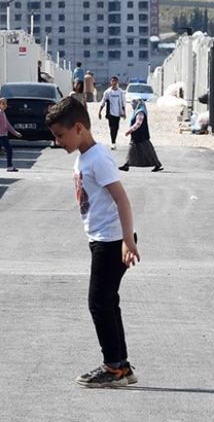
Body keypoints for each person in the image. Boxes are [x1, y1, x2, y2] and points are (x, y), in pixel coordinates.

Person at [45, 96, 140, 388]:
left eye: (61, 135)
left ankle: (113, 367)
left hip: (112, 241)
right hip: (103, 239)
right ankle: (121, 365)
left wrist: (127, 240)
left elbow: (122, 199)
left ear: (78, 128)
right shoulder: (85, 156)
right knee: (108, 302)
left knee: (98, 303)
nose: (58, 142)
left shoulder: (98, 158)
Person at [118, 99, 163, 172]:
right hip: (138, 135)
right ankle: (127, 165)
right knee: (133, 150)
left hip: (141, 135)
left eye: (133, 105)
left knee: (148, 151)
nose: (132, 106)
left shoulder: (140, 112)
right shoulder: (137, 111)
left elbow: (138, 123)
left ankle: (157, 164)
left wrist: (130, 130)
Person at [97, 76, 126, 150]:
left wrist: (124, 113)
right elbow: (103, 101)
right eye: (113, 81)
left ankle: (114, 141)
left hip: (118, 113)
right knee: (112, 128)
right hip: (110, 113)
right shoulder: (108, 92)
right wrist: (100, 111)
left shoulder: (120, 92)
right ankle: (113, 142)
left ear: (117, 82)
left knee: (116, 128)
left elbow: (123, 103)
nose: (114, 82)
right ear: (111, 82)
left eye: (115, 81)